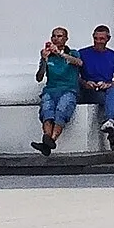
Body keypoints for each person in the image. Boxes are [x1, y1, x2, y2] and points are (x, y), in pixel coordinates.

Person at [33, 27, 85, 156]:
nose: (56, 39)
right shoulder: (48, 56)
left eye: (60, 36)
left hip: (68, 89)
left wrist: (60, 53)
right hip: (51, 89)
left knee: (62, 109)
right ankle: (47, 139)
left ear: (66, 39)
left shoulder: (73, 53)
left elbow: (79, 63)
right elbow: (39, 77)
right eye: (54, 36)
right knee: (46, 110)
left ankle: (51, 140)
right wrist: (44, 60)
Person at [77, 25, 114, 150]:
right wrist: (86, 83)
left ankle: (110, 122)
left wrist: (108, 84)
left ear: (108, 39)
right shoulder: (82, 53)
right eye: (96, 38)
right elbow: (75, 76)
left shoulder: (113, 55)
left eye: (101, 39)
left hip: (105, 88)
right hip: (88, 89)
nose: (98, 41)